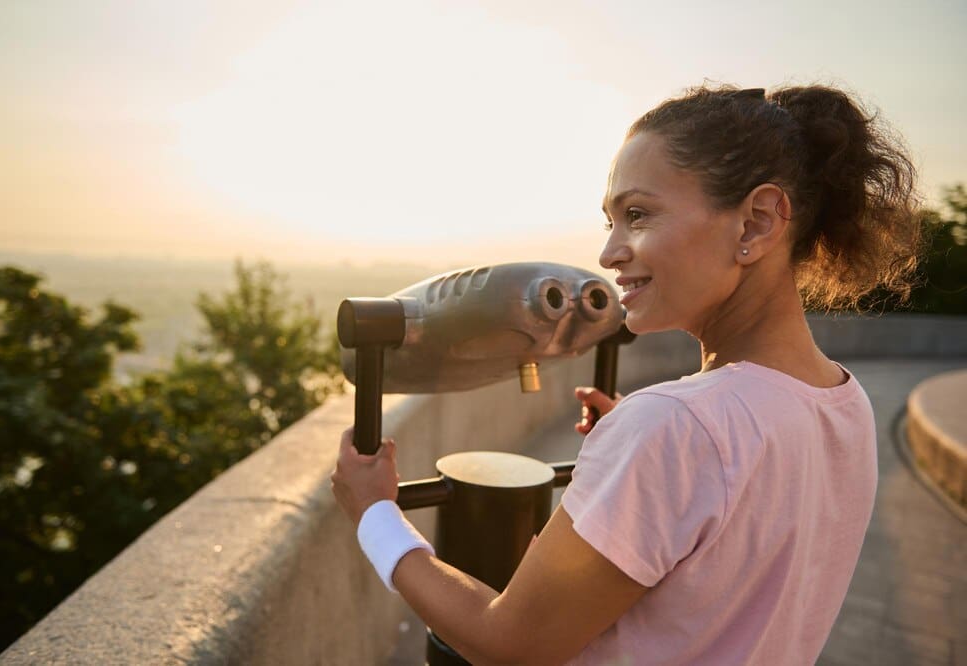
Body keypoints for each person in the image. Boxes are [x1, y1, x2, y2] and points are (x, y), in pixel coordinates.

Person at [331, 83, 922, 665]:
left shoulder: (677, 429)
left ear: (756, 224)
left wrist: (375, 515)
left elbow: (508, 643)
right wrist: (646, 458)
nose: (611, 252)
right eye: (610, 221)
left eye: (637, 214)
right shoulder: (844, 402)